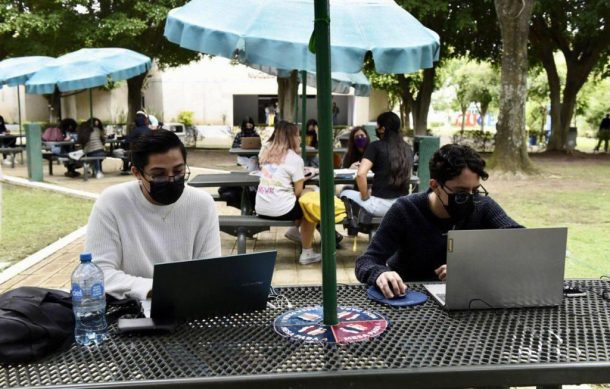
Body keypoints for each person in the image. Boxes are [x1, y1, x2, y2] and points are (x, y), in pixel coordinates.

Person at [355, 144, 522, 298]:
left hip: (464, 298)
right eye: (461, 192)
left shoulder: (482, 206)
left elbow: (520, 241)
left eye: (476, 190)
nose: (471, 198)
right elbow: (366, 261)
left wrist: (473, 265)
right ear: (435, 185)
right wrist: (380, 274)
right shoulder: (405, 210)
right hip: (408, 297)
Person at [86, 130, 220, 300]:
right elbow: (97, 274)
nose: (171, 179)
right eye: (158, 175)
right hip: (129, 308)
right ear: (137, 173)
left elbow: (210, 270)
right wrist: (154, 289)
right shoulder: (113, 202)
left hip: (187, 305)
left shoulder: (202, 203)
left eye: (178, 171)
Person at [255, 121, 320, 264]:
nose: (300, 139)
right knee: (311, 205)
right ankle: (307, 252)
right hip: (281, 210)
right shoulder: (295, 159)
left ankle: (295, 231)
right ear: (292, 138)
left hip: (261, 207)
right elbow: (298, 192)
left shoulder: (266, 153)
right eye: (297, 135)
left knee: (303, 199)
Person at [340, 112, 414, 217]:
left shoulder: (375, 146)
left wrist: (365, 196)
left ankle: (354, 224)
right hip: (402, 205)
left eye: (378, 126)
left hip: (379, 206)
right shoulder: (407, 148)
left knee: (345, 192)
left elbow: (361, 174)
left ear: (383, 129)